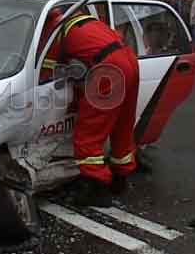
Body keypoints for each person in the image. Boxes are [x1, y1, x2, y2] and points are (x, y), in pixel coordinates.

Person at [55, 12, 140, 206]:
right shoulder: (86, 21)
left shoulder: (52, 31)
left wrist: (75, 102)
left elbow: (50, 73)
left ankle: (97, 189)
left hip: (108, 68)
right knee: (122, 125)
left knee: (88, 133)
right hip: (129, 59)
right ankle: (120, 178)